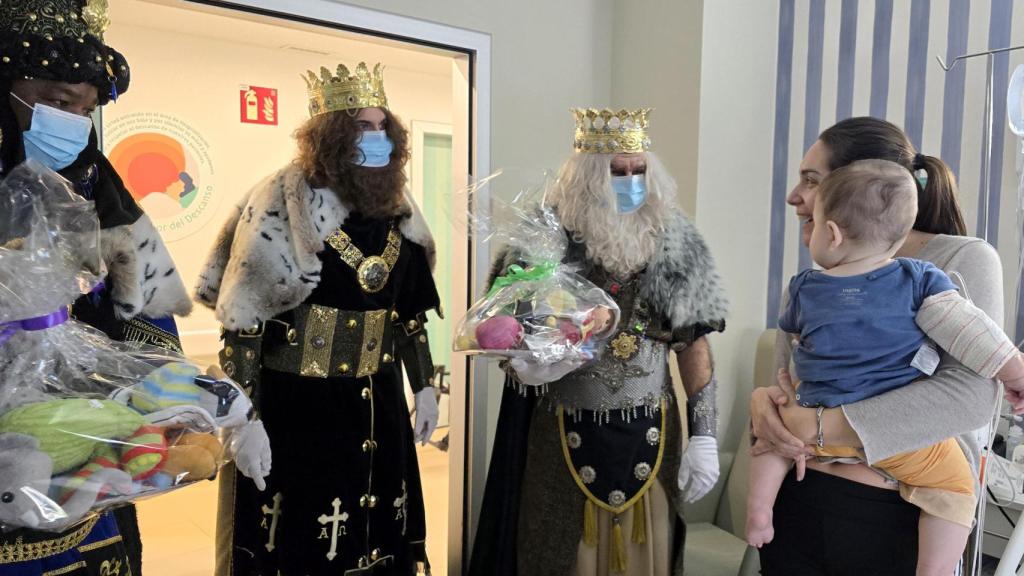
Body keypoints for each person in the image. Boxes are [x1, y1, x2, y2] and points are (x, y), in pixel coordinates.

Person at [196, 61, 441, 576]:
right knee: (305, 544)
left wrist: (423, 385)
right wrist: (245, 423)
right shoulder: (280, 202)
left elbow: (409, 313)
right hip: (299, 410)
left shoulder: (398, 206)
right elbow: (244, 324)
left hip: (380, 402)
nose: (375, 139)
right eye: (361, 127)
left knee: (379, 534)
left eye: (382, 127)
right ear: (331, 137)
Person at [468, 108, 728, 576]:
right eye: (616, 172)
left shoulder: (677, 239)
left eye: (639, 171)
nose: (630, 182)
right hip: (560, 432)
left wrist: (705, 435)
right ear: (587, 178)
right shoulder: (540, 236)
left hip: (653, 430)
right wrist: (530, 363)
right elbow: (502, 335)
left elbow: (694, 344)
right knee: (556, 552)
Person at [752, 117, 1012, 576]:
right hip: (800, 500)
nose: (794, 196)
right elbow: (787, 377)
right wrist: (763, 405)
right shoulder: (817, 277)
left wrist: (815, 426)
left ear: (859, 186)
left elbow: (971, 397)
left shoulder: (956, 261)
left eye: (811, 181)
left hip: (893, 514)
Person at [0, 1, 194, 574]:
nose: (72, 126)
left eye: (85, 110)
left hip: (88, 458)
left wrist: (180, 400)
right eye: (58, 102)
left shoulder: (98, 188)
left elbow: (147, 317)